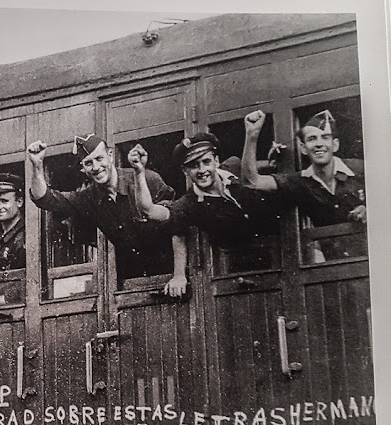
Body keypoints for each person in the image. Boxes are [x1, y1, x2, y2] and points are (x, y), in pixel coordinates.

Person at [28, 135, 187, 297]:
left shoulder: (146, 180)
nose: (96, 167)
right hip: (134, 284)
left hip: (175, 278)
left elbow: (177, 224)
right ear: (83, 168)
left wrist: (180, 275)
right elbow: (44, 199)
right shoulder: (89, 197)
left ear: (110, 156)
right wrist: (37, 165)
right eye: (89, 163)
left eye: (99, 158)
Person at [242, 109, 367, 259]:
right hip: (336, 269)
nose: (319, 144)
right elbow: (252, 181)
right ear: (303, 148)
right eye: (312, 139)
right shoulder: (300, 182)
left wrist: (371, 210)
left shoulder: (360, 169)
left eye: (325, 137)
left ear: (335, 145)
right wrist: (252, 135)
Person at [132, 132, 283, 255]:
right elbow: (149, 210)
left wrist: (271, 163)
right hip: (237, 258)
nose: (202, 170)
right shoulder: (188, 205)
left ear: (216, 161)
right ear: (185, 171)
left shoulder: (234, 166)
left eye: (206, 162)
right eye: (193, 166)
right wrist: (139, 171)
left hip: (282, 244)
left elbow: (253, 170)